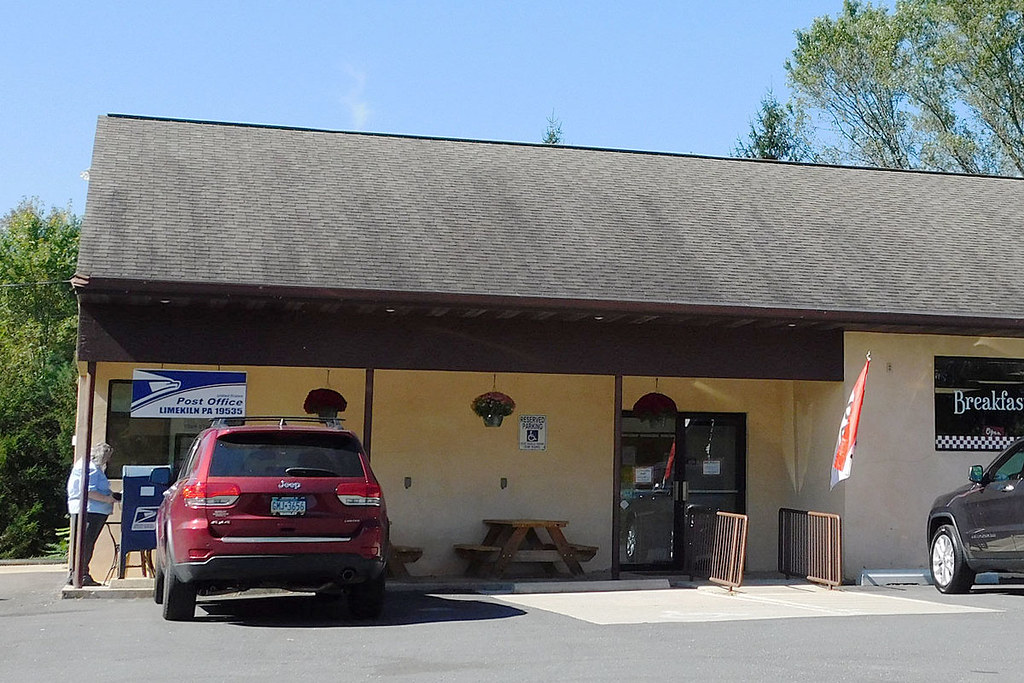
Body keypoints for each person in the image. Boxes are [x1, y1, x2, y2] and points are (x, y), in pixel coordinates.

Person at [67, 442, 120, 586]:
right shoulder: (91, 468)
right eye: (107, 457)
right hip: (91, 510)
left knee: (83, 543)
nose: (108, 460)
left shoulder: (87, 466)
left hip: (90, 509)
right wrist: (109, 499)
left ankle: (76, 573)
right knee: (86, 543)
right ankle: (82, 574)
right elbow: (89, 491)